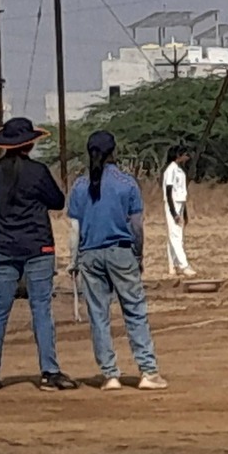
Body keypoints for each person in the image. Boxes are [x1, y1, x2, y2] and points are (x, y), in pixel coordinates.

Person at [66, 131, 168, 392]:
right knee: (134, 310)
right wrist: (138, 255)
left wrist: (73, 260)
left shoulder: (79, 186)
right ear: (114, 151)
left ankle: (110, 374)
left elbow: (74, 229)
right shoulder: (127, 183)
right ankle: (148, 371)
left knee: (98, 315)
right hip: (121, 252)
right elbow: (136, 225)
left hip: (89, 255)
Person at [0, 116, 76, 392]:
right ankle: (49, 372)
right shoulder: (37, 171)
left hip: (4, 245)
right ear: (29, 143)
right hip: (37, 245)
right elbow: (57, 201)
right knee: (41, 308)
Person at [162, 144, 196, 280]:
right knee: (175, 236)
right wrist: (173, 213)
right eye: (185, 154)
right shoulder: (170, 170)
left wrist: (184, 213)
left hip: (180, 203)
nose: (187, 157)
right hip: (173, 204)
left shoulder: (180, 170)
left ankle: (172, 266)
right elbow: (168, 192)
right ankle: (184, 265)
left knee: (176, 235)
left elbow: (183, 192)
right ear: (178, 155)